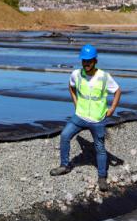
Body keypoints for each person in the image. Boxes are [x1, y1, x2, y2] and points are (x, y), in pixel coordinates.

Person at [49, 44, 122, 190]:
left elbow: (118, 90)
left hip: (97, 119)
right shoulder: (76, 74)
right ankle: (64, 166)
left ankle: (102, 177)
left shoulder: (104, 77)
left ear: (95, 60)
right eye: (84, 61)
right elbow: (70, 86)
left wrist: (112, 108)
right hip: (80, 116)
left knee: (100, 148)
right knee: (64, 136)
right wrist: (76, 102)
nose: (86, 64)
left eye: (89, 61)